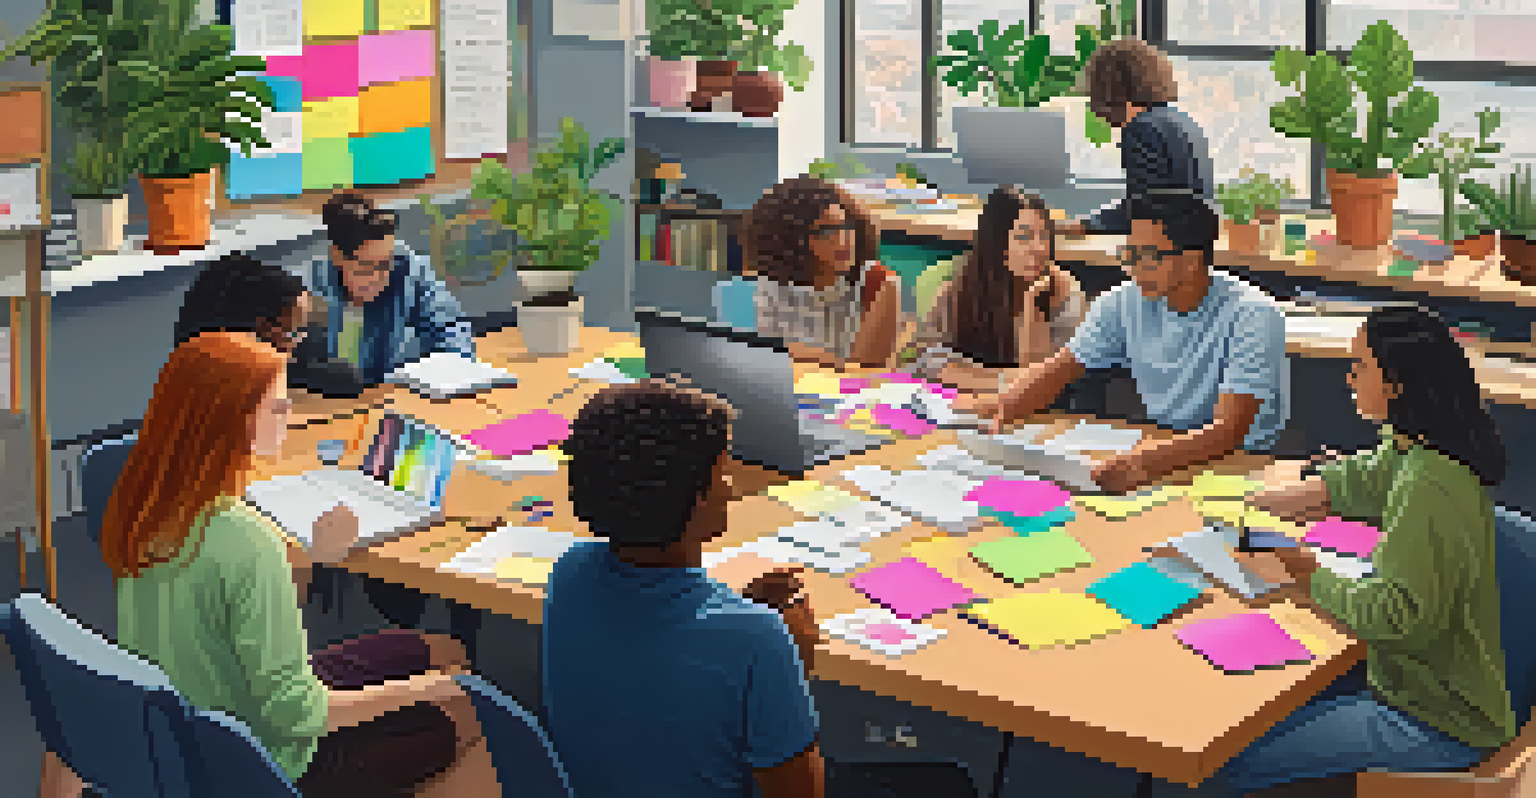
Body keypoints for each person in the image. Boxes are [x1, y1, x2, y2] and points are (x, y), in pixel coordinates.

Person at [50, 332, 499, 798]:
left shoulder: (146, 507)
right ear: (239, 423)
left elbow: (241, 615)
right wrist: (425, 691)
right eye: (279, 410)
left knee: (442, 651)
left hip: (194, 719)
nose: (291, 417)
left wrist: (313, 558)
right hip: (262, 761)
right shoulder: (247, 541)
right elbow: (298, 715)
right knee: (471, 712)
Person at [1221, 305, 1514, 794]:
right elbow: (1369, 476)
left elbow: (1397, 618)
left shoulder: (1428, 484)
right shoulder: (1419, 447)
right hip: (1415, 684)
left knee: (1235, 758)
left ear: (1395, 383)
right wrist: (1288, 495)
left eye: (1359, 366)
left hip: (1435, 718)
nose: (1349, 378)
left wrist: (1307, 574)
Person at [544, 380, 825, 798]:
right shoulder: (759, 640)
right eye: (721, 473)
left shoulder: (569, 572)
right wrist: (796, 667)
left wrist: (738, 611)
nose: (731, 487)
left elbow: (663, 647)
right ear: (693, 498)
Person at [963, 191, 1290, 495]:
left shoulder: (1254, 315)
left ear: (1192, 262)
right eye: (1129, 254)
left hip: (1239, 464)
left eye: (1148, 257)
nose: (1134, 268)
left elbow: (1229, 431)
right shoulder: (1121, 302)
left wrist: (1144, 463)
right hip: (1164, 446)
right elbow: (1059, 369)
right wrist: (1006, 409)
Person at [300, 191, 483, 646]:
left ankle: (446, 610)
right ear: (337, 256)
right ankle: (389, 614)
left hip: (392, 418)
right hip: (325, 426)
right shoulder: (308, 288)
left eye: (385, 265)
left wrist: (444, 372)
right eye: (366, 267)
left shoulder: (407, 268)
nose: (379, 277)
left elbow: (453, 331)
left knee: (441, 497)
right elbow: (294, 367)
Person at [907, 186, 1087, 394]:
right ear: (996, 242)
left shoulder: (1065, 292)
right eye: (1024, 237)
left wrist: (1033, 308)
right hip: (964, 402)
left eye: (1044, 236)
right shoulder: (964, 285)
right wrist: (1001, 381)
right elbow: (924, 360)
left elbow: (1042, 383)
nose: (1040, 248)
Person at [1057, 38, 1214, 239]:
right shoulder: (1185, 121)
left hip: (1163, 246)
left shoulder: (1141, 128)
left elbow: (1142, 212)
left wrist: (1079, 226)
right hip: (1196, 244)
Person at [746, 175, 903, 368]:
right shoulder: (773, 283)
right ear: (794, 239)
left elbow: (865, 367)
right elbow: (766, 354)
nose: (843, 239)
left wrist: (797, 352)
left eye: (847, 226)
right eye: (827, 231)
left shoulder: (879, 283)